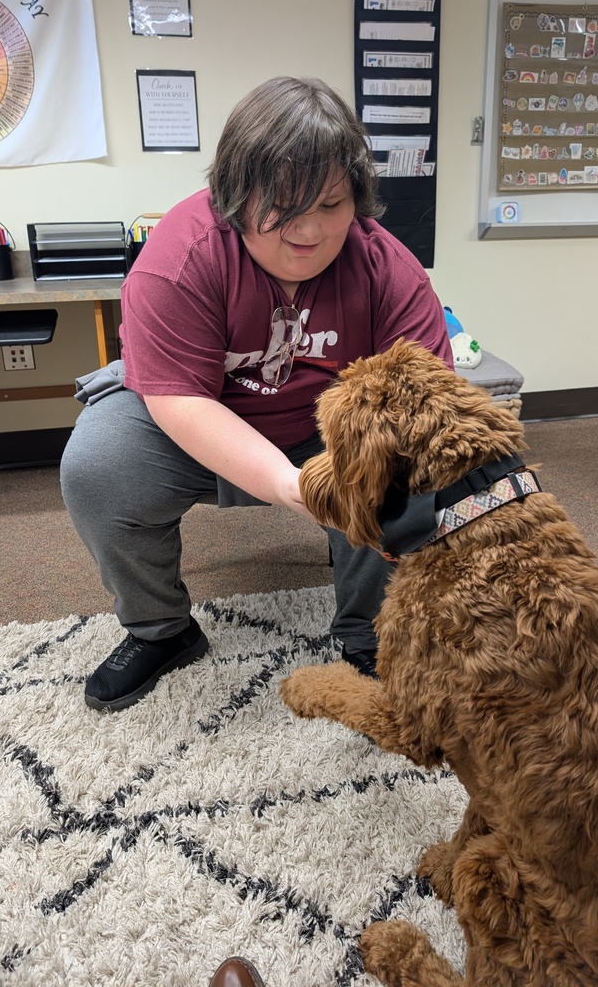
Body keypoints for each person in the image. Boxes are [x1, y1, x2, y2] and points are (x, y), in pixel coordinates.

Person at [60, 75, 453, 711]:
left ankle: (369, 636)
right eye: (280, 207)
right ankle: (161, 630)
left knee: (406, 467)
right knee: (100, 466)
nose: (307, 231)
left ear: (358, 201)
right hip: (192, 417)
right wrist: (294, 487)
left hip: (326, 426)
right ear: (234, 196)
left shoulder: (386, 268)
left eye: (330, 205)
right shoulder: (179, 258)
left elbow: (429, 400)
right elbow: (179, 402)